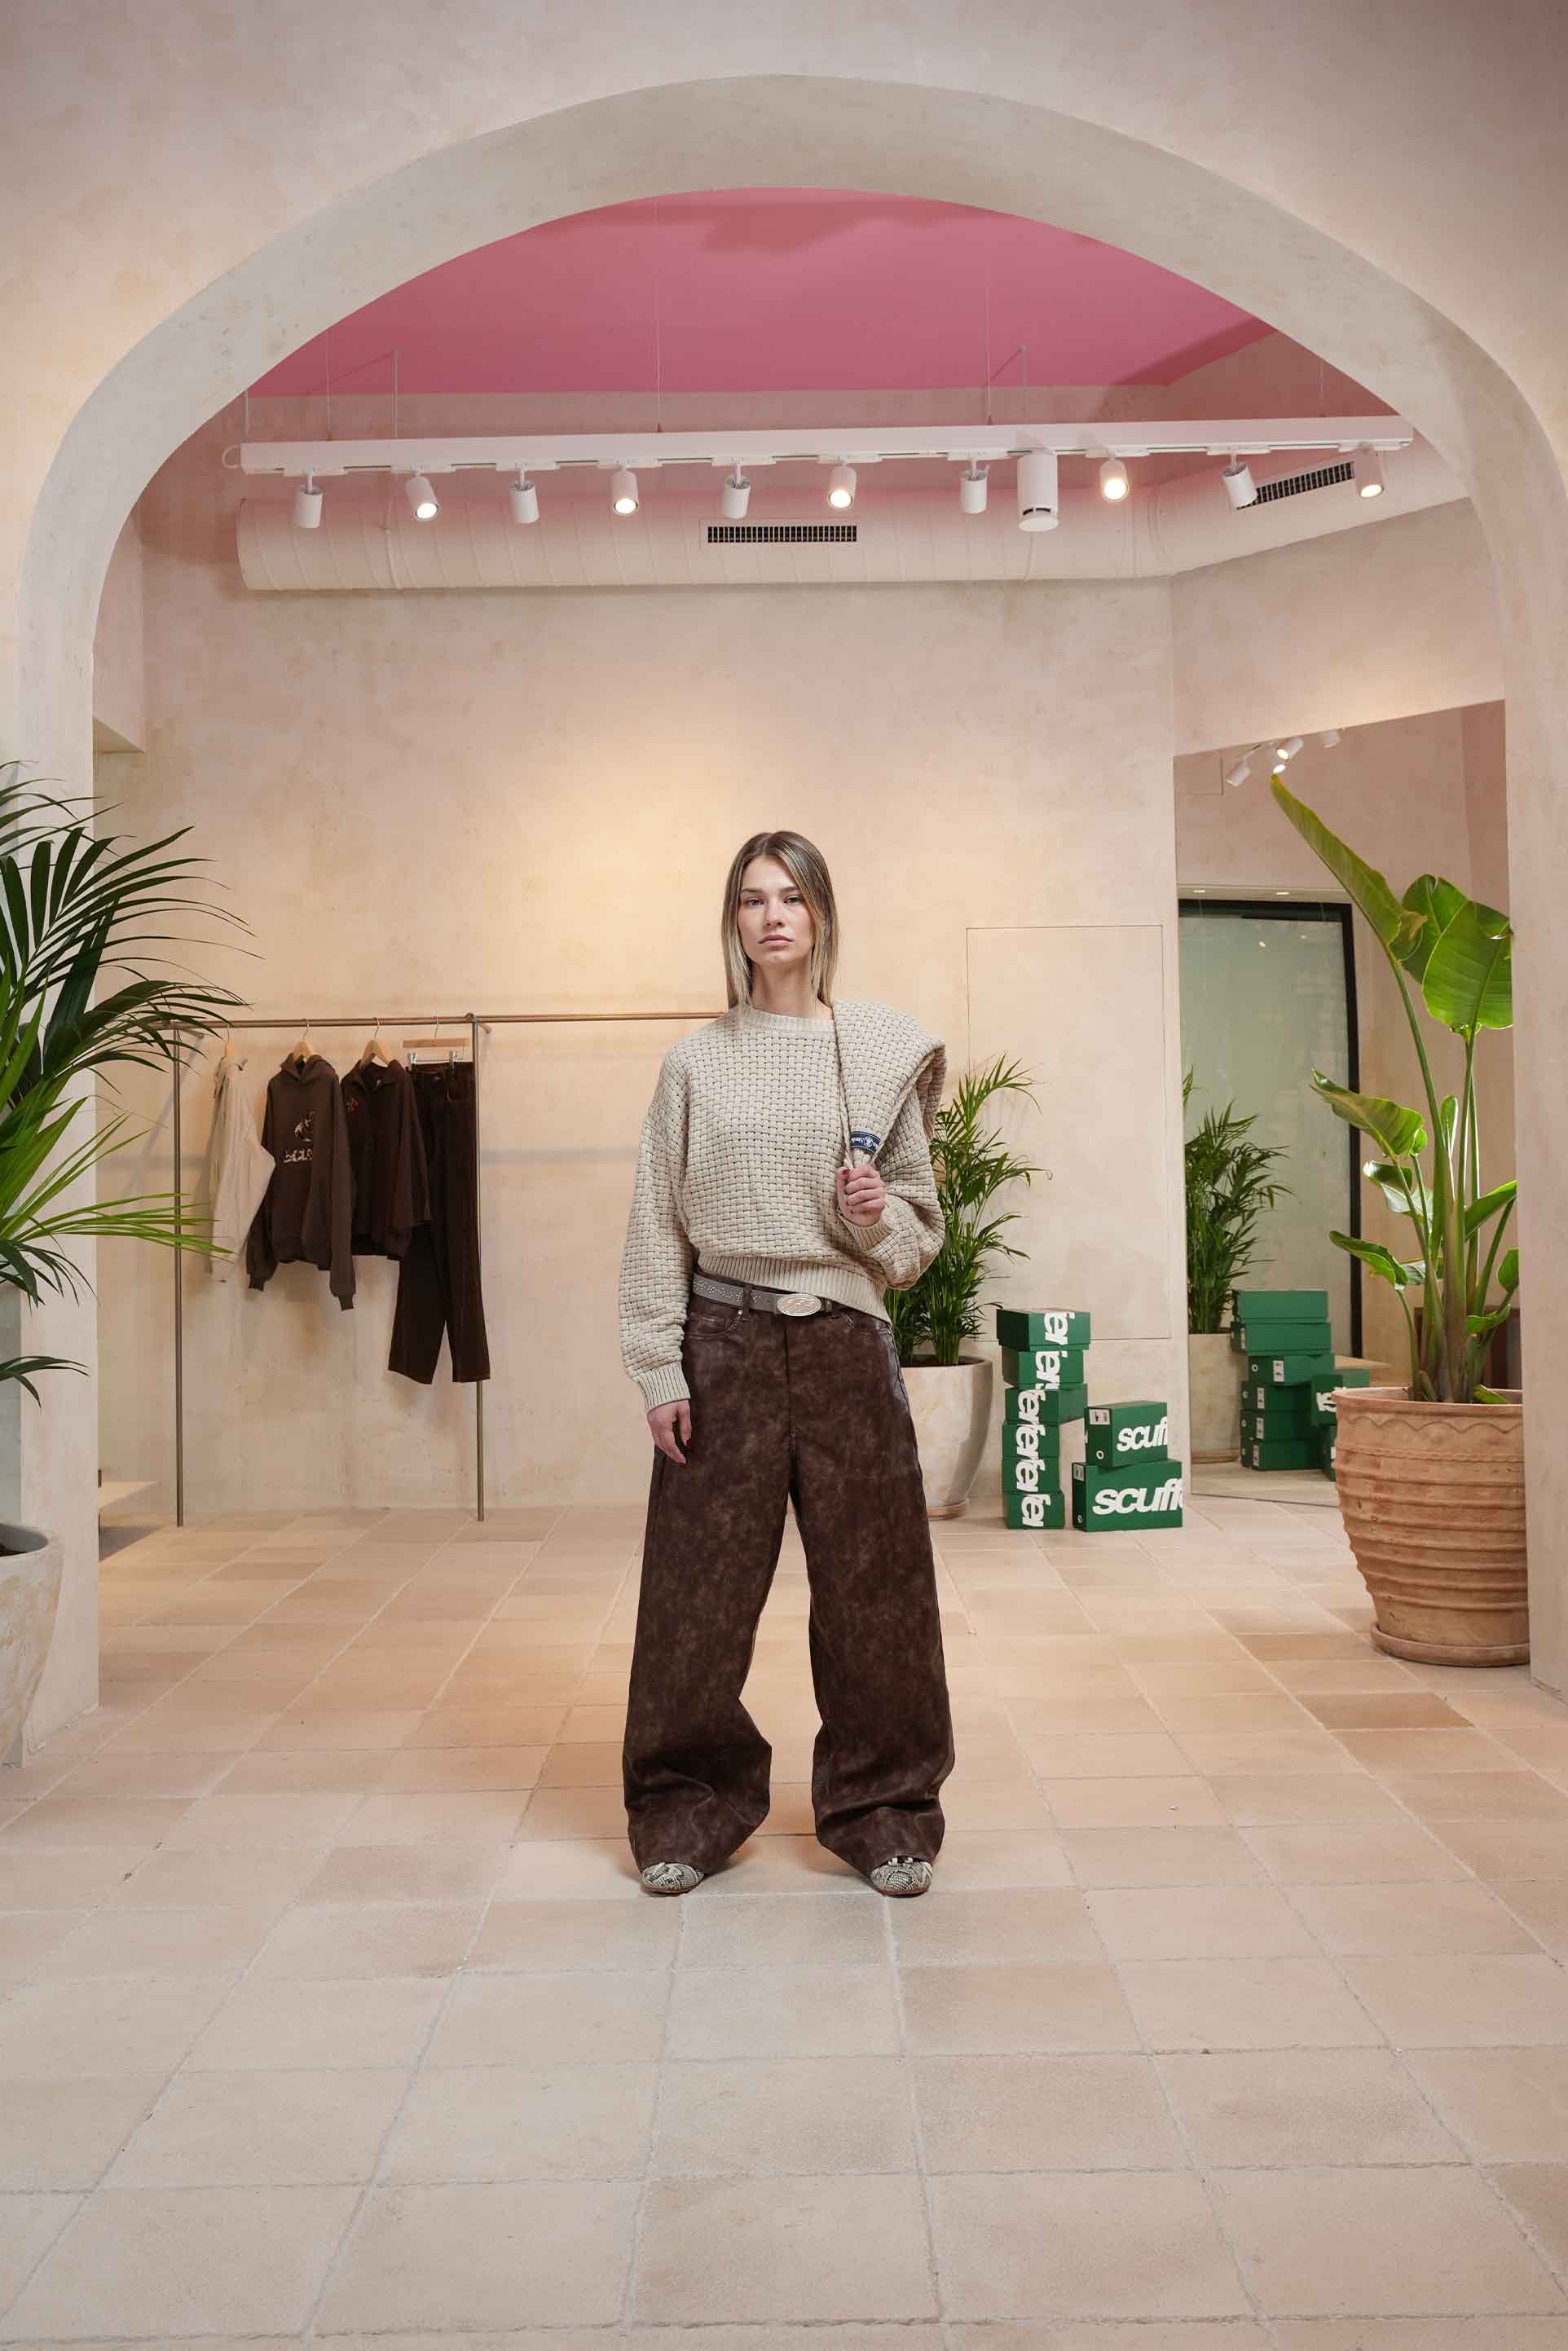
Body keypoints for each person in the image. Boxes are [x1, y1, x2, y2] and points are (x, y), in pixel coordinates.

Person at [617, 828, 956, 1898]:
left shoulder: (876, 1056)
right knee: (697, 1594)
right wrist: (660, 1367)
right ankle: (686, 1807)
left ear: (821, 916)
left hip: (846, 1343)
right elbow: (656, 1222)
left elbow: (915, 1240)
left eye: (792, 897)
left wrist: (875, 1212)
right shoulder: (694, 1062)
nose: (773, 916)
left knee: (877, 1593)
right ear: (735, 921)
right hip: (722, 1339)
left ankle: (885, 1811)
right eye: (754, 899)